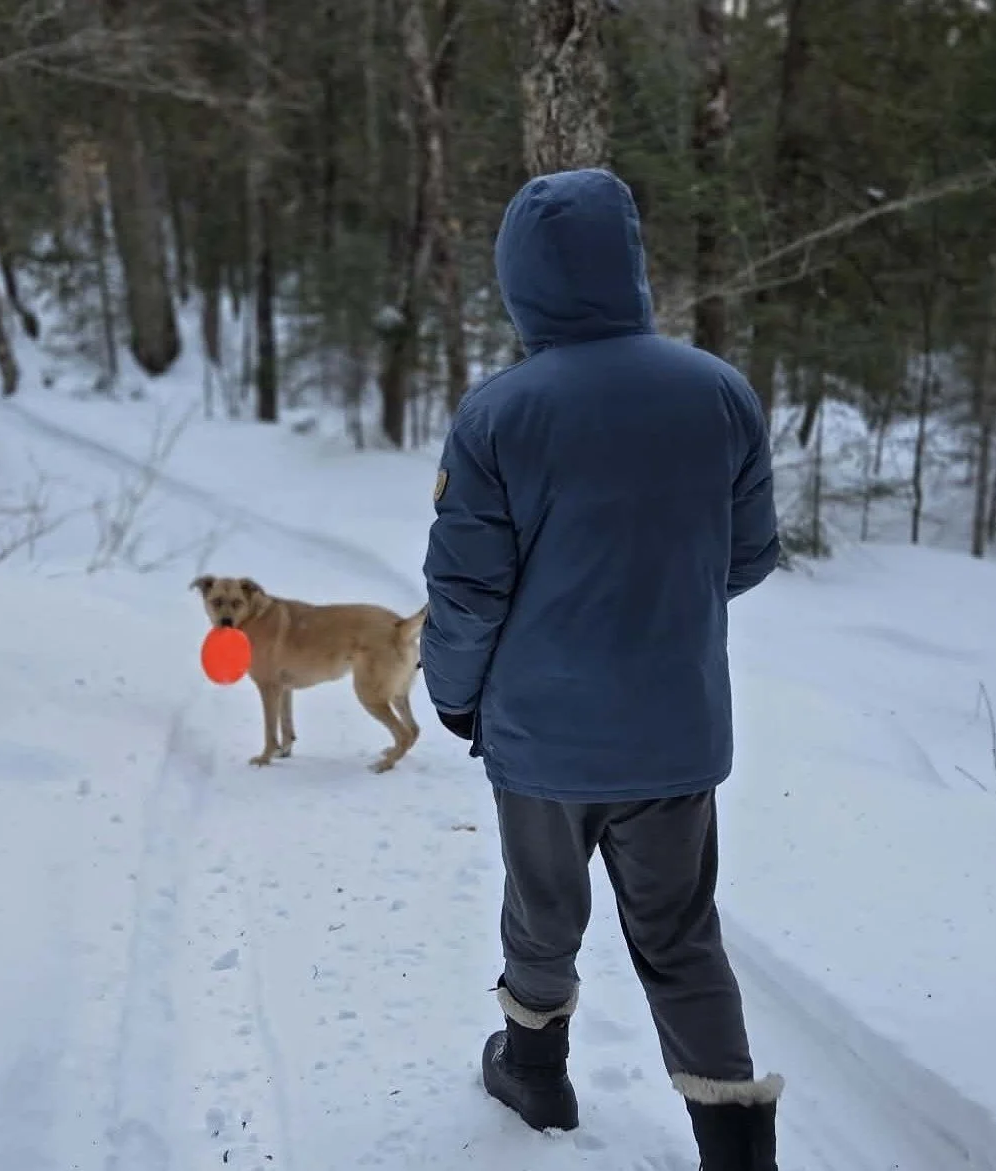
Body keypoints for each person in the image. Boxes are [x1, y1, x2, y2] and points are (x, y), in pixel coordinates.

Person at [420, 168, 784, 1171]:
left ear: (519, 278)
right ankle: (737, 1149)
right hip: (675, 730)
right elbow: (749, 554)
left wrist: (454, 696)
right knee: (680, 934)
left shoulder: (498, 413)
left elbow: (465, 593)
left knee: (542, 911)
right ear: (629, 263)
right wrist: (659, 602)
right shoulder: (719, 392)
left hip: (543, 735)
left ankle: (535, 1073)